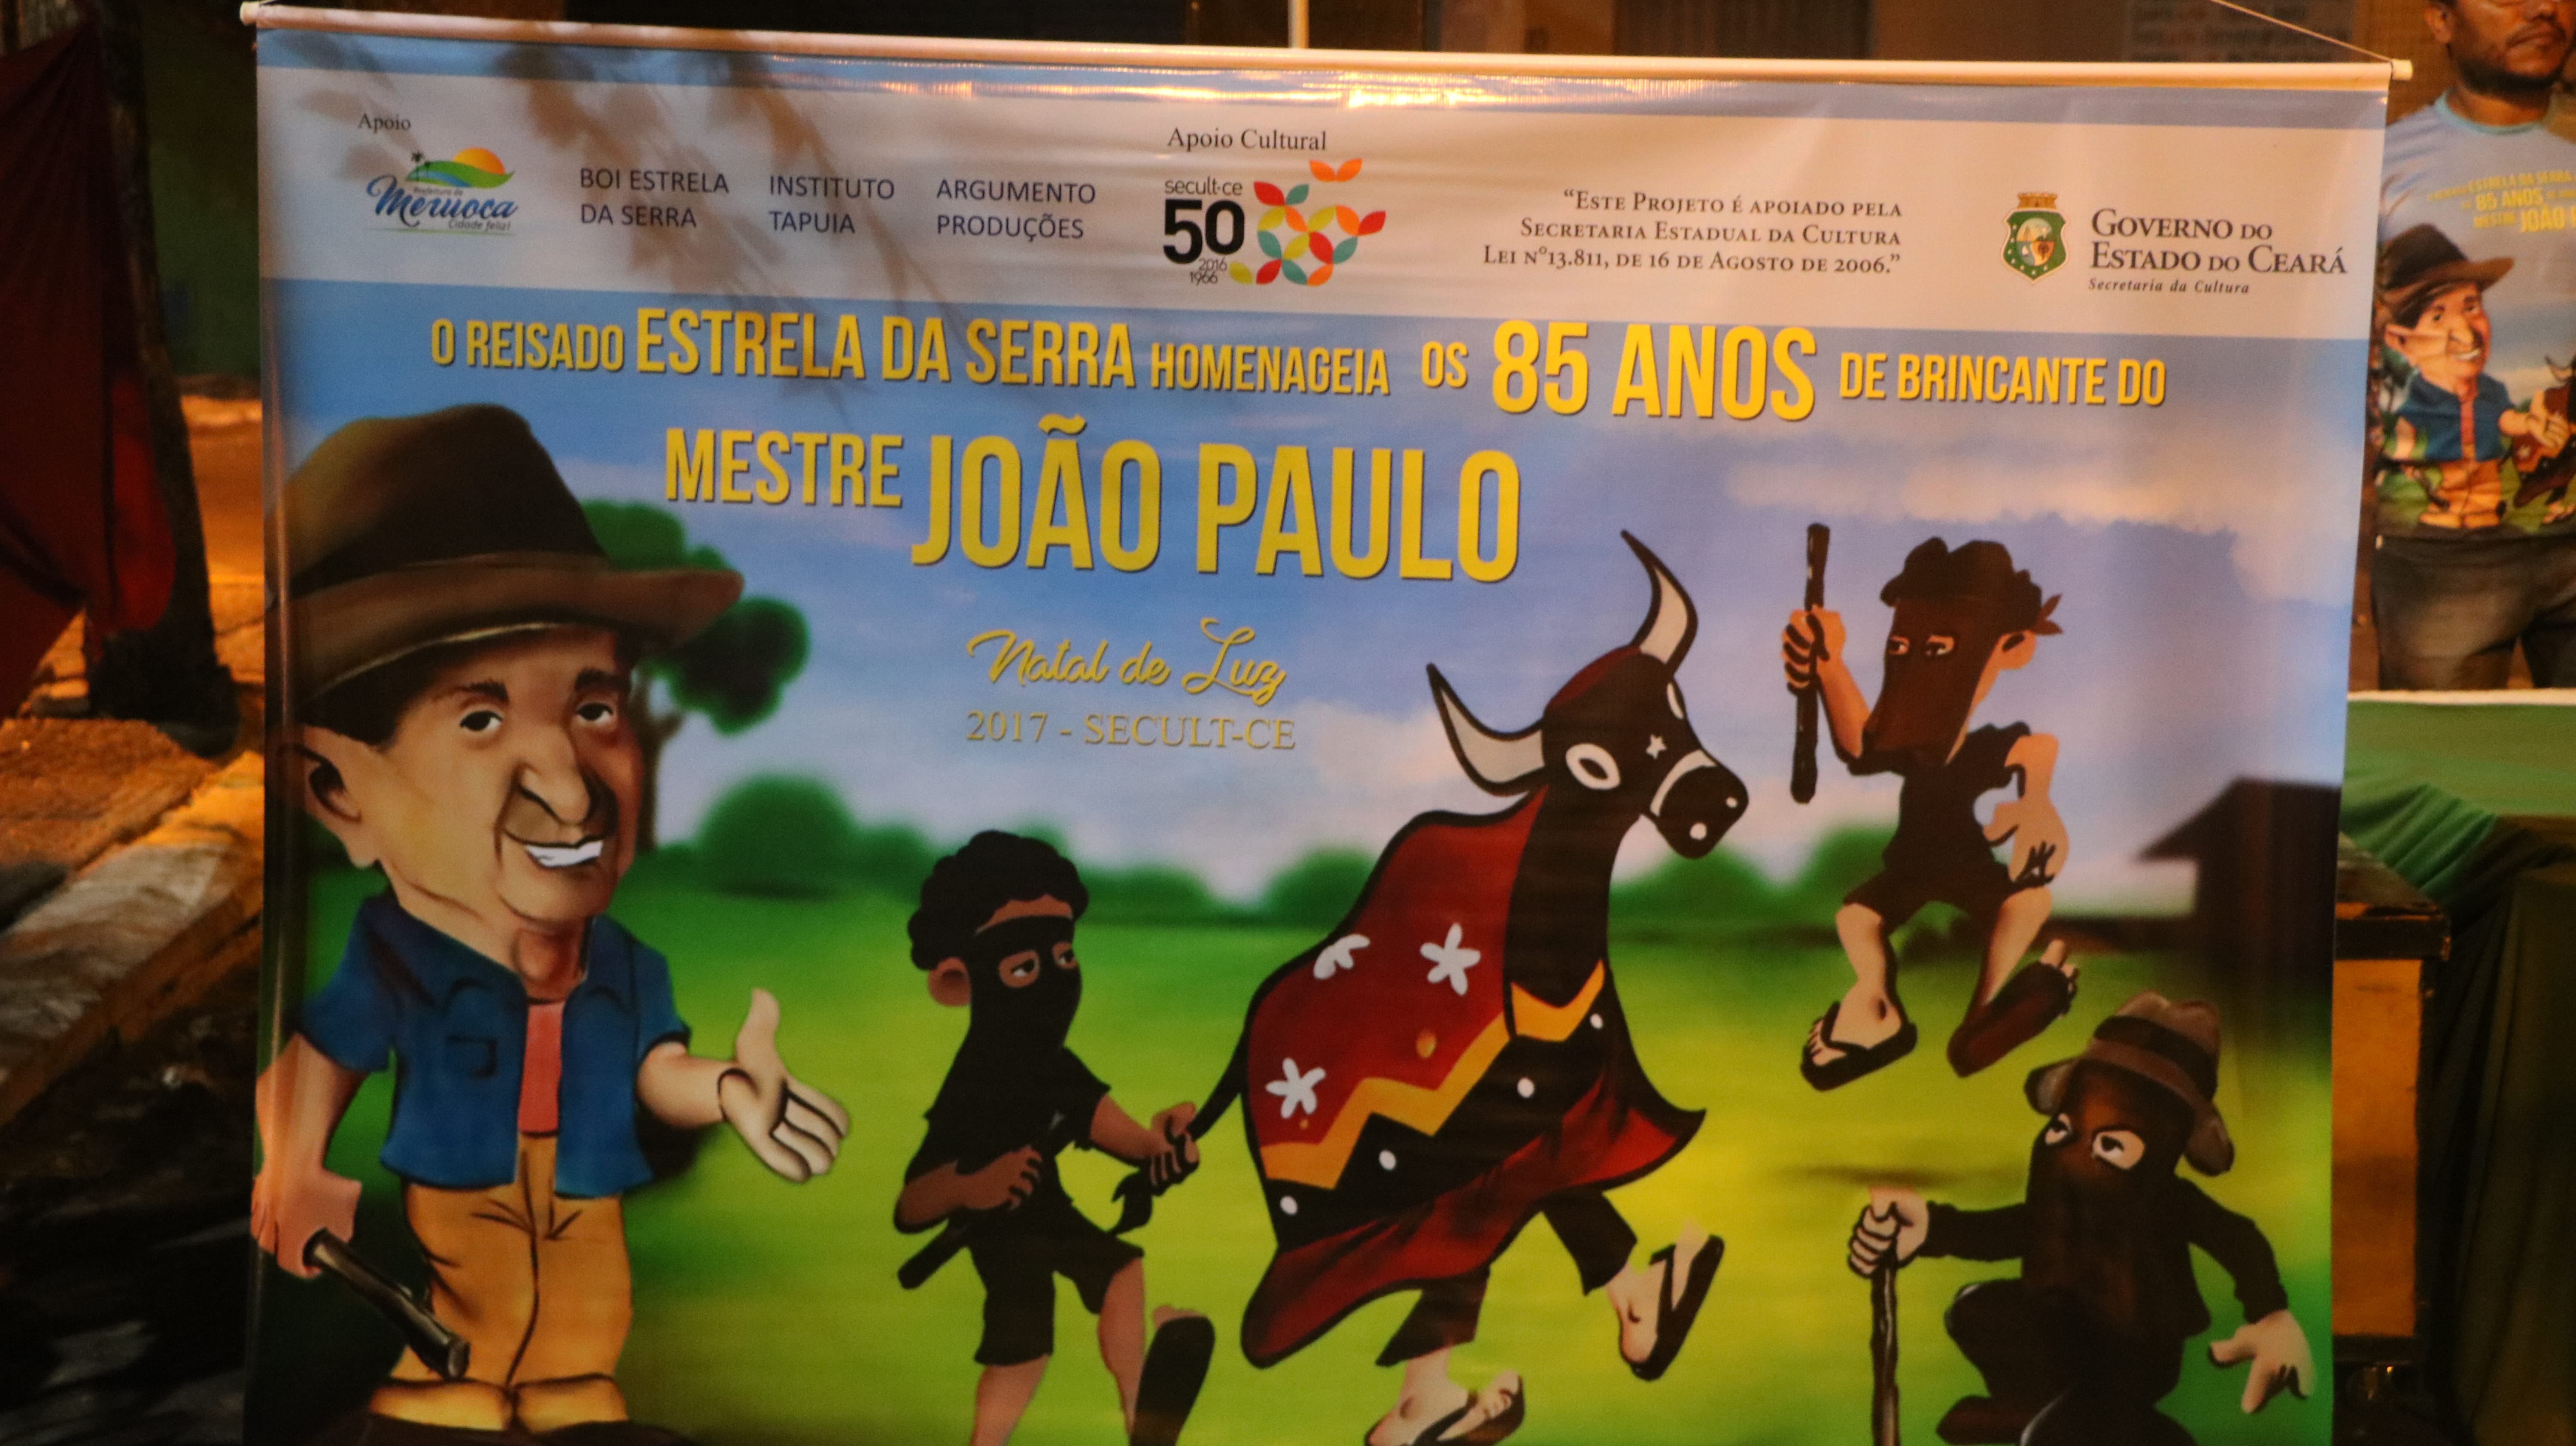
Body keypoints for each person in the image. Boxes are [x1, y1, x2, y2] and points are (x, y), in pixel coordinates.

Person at [251, 404, 849, 1439]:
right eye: (481, 719)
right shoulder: (395, 958)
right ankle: (453, 1399)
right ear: (338, 793)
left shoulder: (624, 963)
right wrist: (292, 1166)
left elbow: (653, 1067)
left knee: (585, 1300)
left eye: (595, 708)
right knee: (477, 1301)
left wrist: (725, 1090)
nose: (571, 793)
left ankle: (569, 1402)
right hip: (465, 1211)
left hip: (582, 1212)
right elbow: (316, 1055)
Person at [1845, 993, 2315, 1445]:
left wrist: (2271, 1314)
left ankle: (2134, 1434)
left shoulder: (2169, 1201)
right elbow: (2022, 1227)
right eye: (2062, 1130)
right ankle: (2036, 1409)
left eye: (2111, 1145)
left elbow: (2239, 1239)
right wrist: (1933, 1228)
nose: (2075, 1154)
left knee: (2054, 1439)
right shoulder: (2066, 1201)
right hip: (2064, 1322)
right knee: (1977, 1311)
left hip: (2134, 1350)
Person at [896, 831, 1212, 1446]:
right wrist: (972, 1186)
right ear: (958, 981)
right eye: (1023, 968)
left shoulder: (1056, 1069)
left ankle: (1141, 1420)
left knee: (1122, 1272)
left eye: (1065, 958)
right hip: (1000, 1230)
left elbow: (1121, 1134)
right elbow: (912, 1204)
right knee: (1024, 1347)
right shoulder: (973, 1082)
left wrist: (1167, 1143)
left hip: (1049, 1211)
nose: (1055, 980)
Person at [1781, 537, 2078, 1091]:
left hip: (1967, 865)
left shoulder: (1984, 748)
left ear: (2013, 647)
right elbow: (1861, 744)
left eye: (1939, 649)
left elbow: (2038, 749)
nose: (1914, 663)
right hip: (1911, 865)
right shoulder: (1913, 742)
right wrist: (1829, 666)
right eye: (1900, 648)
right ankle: (1878, 1005)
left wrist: (2036, 802)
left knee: (2030, 902)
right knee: (1857, 919)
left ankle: (1983, 1017)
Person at [2374, 0, 2576, 686]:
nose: (2542, 7)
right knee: (2442, 754)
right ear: (2440, 20)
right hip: (2442, 558)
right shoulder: (2379, 165)